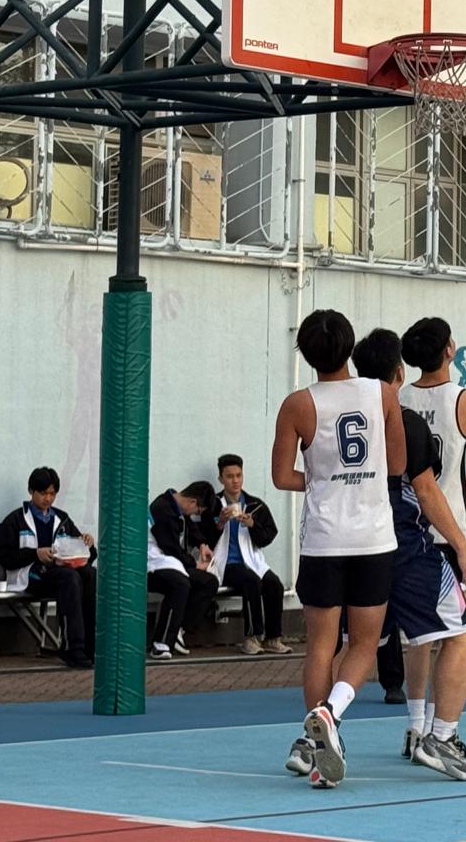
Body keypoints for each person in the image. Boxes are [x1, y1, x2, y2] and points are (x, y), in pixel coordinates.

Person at [272, 309, 404, 789]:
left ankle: (312, 741)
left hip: (324, 538)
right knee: (365, 643)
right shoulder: (382, 393)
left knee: (320, 646)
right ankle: (332, 714)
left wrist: (323, 479)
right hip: (373, 536)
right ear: (350, 347)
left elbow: (282, 476)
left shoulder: (297, 404)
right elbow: (397, 464)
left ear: (306, 353)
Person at [353, 327, 466, 780]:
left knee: (389, 641)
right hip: (430, 531)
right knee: (460, 634)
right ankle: (440, 735)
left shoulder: (390, 402)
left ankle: (408, 725)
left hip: (354, 538)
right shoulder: (464, 402)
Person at [399, 317, 466, 674]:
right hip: (453, 524)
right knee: (457, 634)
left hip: (408, 525)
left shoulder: (398, 398)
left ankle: (415, 707)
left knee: (419, 636)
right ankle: (446, 709)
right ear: (449, 350)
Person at [0, 467, 97, 669]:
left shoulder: (62, 519)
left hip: (59, 574)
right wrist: (35, 554)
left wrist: (87, 545)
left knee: (90, 574)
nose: (48, 499)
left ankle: (90, 646)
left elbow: (89, 556)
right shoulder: (16, 520)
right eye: (43, 493)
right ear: (31, 491)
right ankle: (72, 647)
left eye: (52, 494)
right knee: (70, 578)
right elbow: (4, 557)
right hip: (31, 576)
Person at [205, 453, 291, 656]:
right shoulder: (213, 505)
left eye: (238, 475)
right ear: (221, 479)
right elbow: (202, 538)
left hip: (252, 561)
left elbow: (268, 536)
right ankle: (252, 637)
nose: (235, 481)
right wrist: (219, 524)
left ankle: (273, 638)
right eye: (229, 476)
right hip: (225, 563)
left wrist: (253, 525)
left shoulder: (254, 505)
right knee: (251, 582)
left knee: (275, 585)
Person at [145, 481, 219, 661]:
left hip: (170, 562)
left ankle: (179, 628)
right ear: (192, 502)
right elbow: (170, 547)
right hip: (152, 564)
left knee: (209, 582)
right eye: (198, 511)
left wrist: (202, 544)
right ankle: (161, 643)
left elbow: (190, 527)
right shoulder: (162, 509)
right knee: (180, 584)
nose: (194, 515)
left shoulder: (177, 507)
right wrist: (194, 564)